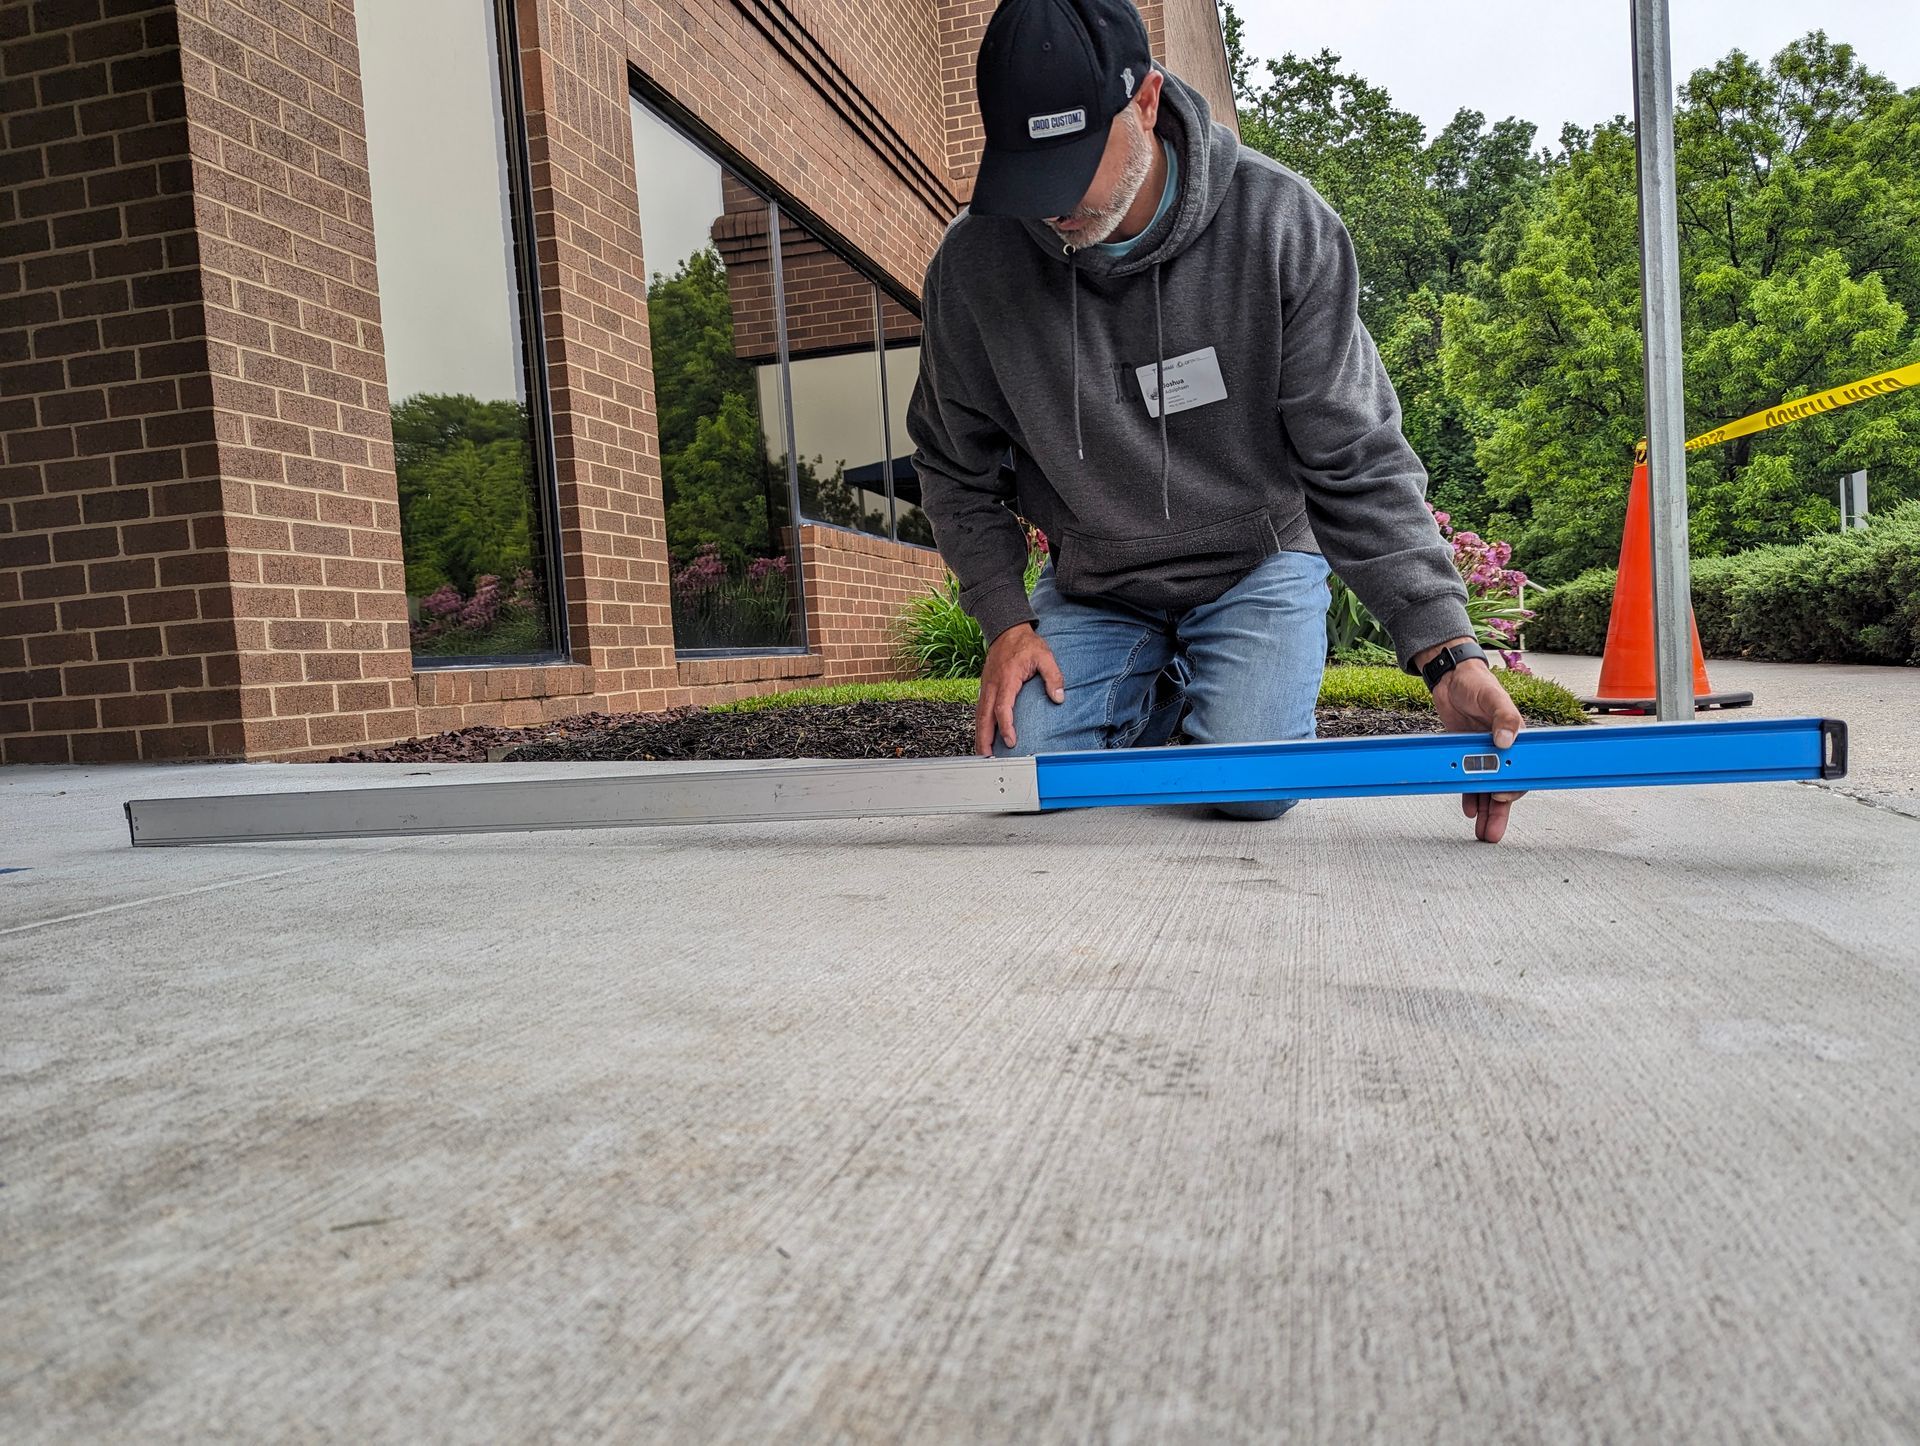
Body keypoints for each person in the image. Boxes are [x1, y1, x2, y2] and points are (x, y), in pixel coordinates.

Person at [906, 0, 1526, 843]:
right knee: (1031, 775)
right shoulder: (974, 267)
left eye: (1072, 160)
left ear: (1146, 101)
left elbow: (1356, 456)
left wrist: (1448, 654)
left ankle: (1222, 697)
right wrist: (1005, 621)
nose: (1051, 203)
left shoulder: (1280, 224)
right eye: (1029, 171)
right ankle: (1164, 694)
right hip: (1098, 582)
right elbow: (952, 465)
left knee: (1251, 786)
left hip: (1256, 559)